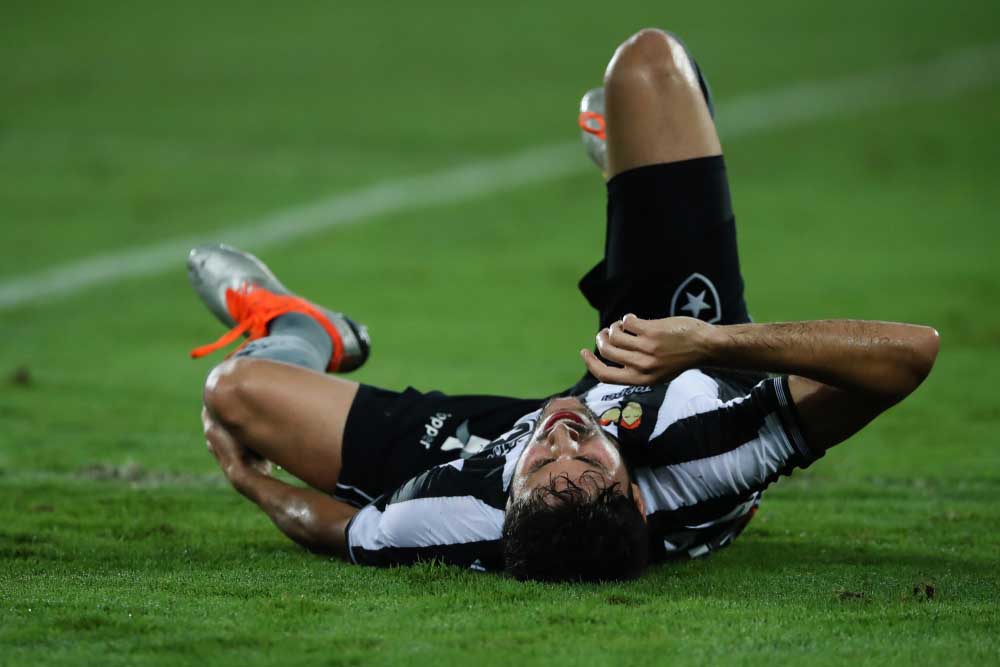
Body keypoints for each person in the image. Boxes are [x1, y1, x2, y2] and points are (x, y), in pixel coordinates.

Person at [192, 28, 939, 582]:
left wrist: (247, 479)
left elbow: (342, 530)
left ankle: (303, 327)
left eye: (543, 459)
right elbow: (912, 354)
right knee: (647, 66)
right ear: (634, 495)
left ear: (509, 499)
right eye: (586, 456)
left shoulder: (465, 512)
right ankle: (636, 186)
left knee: (234, 393)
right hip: (667, 361)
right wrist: (711, 344)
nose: (562, 432)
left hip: (490, 441)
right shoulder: (707, 445)